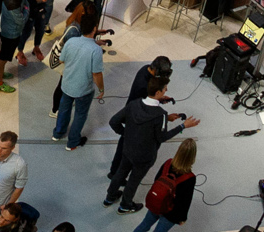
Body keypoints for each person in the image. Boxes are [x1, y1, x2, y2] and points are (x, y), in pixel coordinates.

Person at [106, 72, 199, 212]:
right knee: (134, 180)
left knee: (120, 172)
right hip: (144, 156)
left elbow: (114, 121)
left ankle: (110, 197)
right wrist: (182, 126)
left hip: (128, 148)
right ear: (157, 92)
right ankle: (125, 206)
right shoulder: (160, 114)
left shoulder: (134, 104)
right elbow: (162, 137)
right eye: (164, 89)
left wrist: (126, 134)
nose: (166, 90)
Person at [53, 12, 107, 148]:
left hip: (66, 85)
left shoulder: (71, 42)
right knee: (80, 115)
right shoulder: (96, 50)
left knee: (64, 109)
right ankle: (72, 142)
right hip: (83, 89)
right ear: (94, 29)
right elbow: (96, 74)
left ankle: (58, 133)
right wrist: (101, 88)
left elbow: (61, 60)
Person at [131, 141, 199, 232]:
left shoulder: (168, 163)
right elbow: (184, 202)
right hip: (171, 213)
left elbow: (156, 180)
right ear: (192, 157)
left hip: (157, 203)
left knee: (144, 225)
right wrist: (182, 218)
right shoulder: (190, 178)